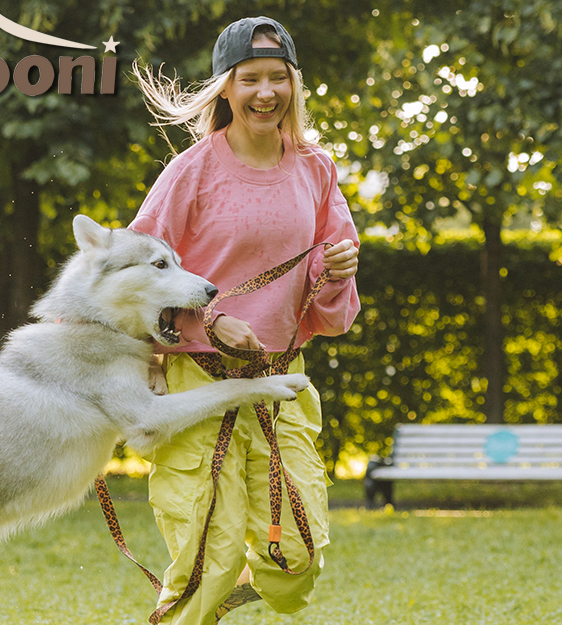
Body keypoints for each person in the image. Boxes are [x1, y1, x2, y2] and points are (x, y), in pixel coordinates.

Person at [127, 16, 360, 624]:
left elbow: (331, 315)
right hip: (197, 386)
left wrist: (336, 274)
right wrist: (210, 323)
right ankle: (199, 594)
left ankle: (230, 584)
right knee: (210, 554)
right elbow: (131, 278)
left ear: (294, 86)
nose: (265, 93)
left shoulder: (317, 170)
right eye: (250, 78)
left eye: (277, 78)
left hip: (281, 384)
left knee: (299, 555)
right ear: (225, 89)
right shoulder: (190, 173)